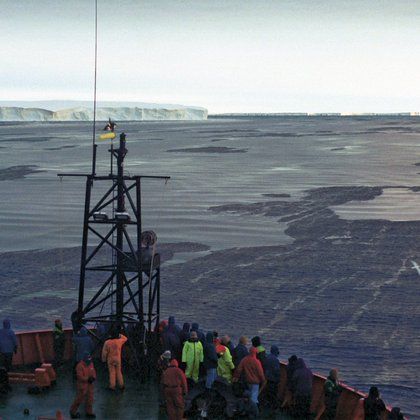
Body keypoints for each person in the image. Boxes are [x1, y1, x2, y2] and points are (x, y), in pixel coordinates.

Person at [69, 351, 96, 419]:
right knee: (79, 400)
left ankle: (89, 412)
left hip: (89, 385)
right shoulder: (79, 366)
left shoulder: (91, 364)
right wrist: (87, 379)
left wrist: (93, 377)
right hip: (82, 386)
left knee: (90, 399)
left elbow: (93, 372)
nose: (89, 362)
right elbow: (79, 376)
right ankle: (72, 412)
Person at [262, 345, 281, 413]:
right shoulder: (275, 360)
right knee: (273, 394)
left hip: (267, 378)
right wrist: (279, 379)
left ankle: (267, 404)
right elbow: (277, 371)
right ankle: (274, 408)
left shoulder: (267, 357)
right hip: (273, 380)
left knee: (268, 392)